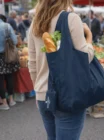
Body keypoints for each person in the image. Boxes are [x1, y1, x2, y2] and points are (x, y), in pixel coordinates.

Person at [28, 0, 94, 140]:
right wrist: (89, 38)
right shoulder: (71, 18)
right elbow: (84, 58)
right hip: (67, 94)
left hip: (42, 93)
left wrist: (38, 89)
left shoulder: (36, 23)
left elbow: (32, 64)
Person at [0, 14, 19, 110]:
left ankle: (4, 102)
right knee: (9, 77)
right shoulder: (7, 26)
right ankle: (11, 100)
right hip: (8, 55)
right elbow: (15, 41)